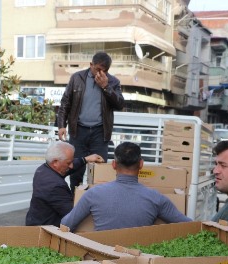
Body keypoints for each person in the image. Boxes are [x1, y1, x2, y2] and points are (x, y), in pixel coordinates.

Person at [61, 142, 191, 231]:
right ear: (141, 164)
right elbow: (190, 226)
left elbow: (66, 224)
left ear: (113, 165)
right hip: (140, 261)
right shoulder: (156, 198)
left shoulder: (93, 194)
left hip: (101, 260)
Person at [56, 51, 125, 188]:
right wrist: (61, 125)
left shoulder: (113, 82)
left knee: (100, 173)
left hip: (100, 132)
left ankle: (96, 199)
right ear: (91, 65)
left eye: (104, 71)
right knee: (76, 171)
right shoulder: (77, 78)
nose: (101, 73)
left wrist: (106, 87)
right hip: (78, 131)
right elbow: (65, 103)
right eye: (98, 69)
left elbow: (120, 105)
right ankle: (75, 197)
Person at [25, 141, 103, 227]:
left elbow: (70, 165)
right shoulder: (55, 186)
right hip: (46, 230)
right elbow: (73, 215)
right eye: (68, 163)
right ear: (55, 162)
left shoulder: (44, 169)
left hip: (35, 221)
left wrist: (85, 159)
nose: (71, 166)